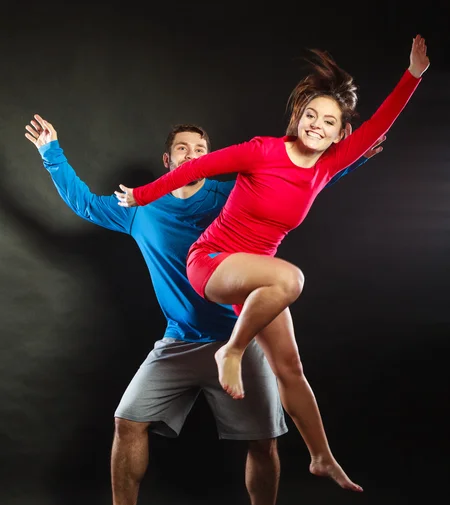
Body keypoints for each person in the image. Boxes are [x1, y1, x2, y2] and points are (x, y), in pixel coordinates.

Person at [25, 116, 383, 505]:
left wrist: (350, 162)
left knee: (265, 440)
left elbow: (299, 182)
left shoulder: (231, 194)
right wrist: (51, 152)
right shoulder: (142, 207)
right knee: (126, 422)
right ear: (168, 159)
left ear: (209, 160)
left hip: (239, 335)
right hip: (177, 342)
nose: (192, 155)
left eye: (200, 150)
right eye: (183, 149)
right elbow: (85, 205)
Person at [115, 35, 429, 406]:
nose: (316, 125)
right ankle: (231, 350)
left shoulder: (327, 165)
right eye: (311, 115)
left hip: (256, 275)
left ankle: (323, 461)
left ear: (338, 134)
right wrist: (142, 194)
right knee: (290, 279)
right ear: (298, 116)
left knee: (290, 369)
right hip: (215, 261)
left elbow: (376, 127)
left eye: (329, 121)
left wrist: (413, 74)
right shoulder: (263, 151)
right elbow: (197, 166)